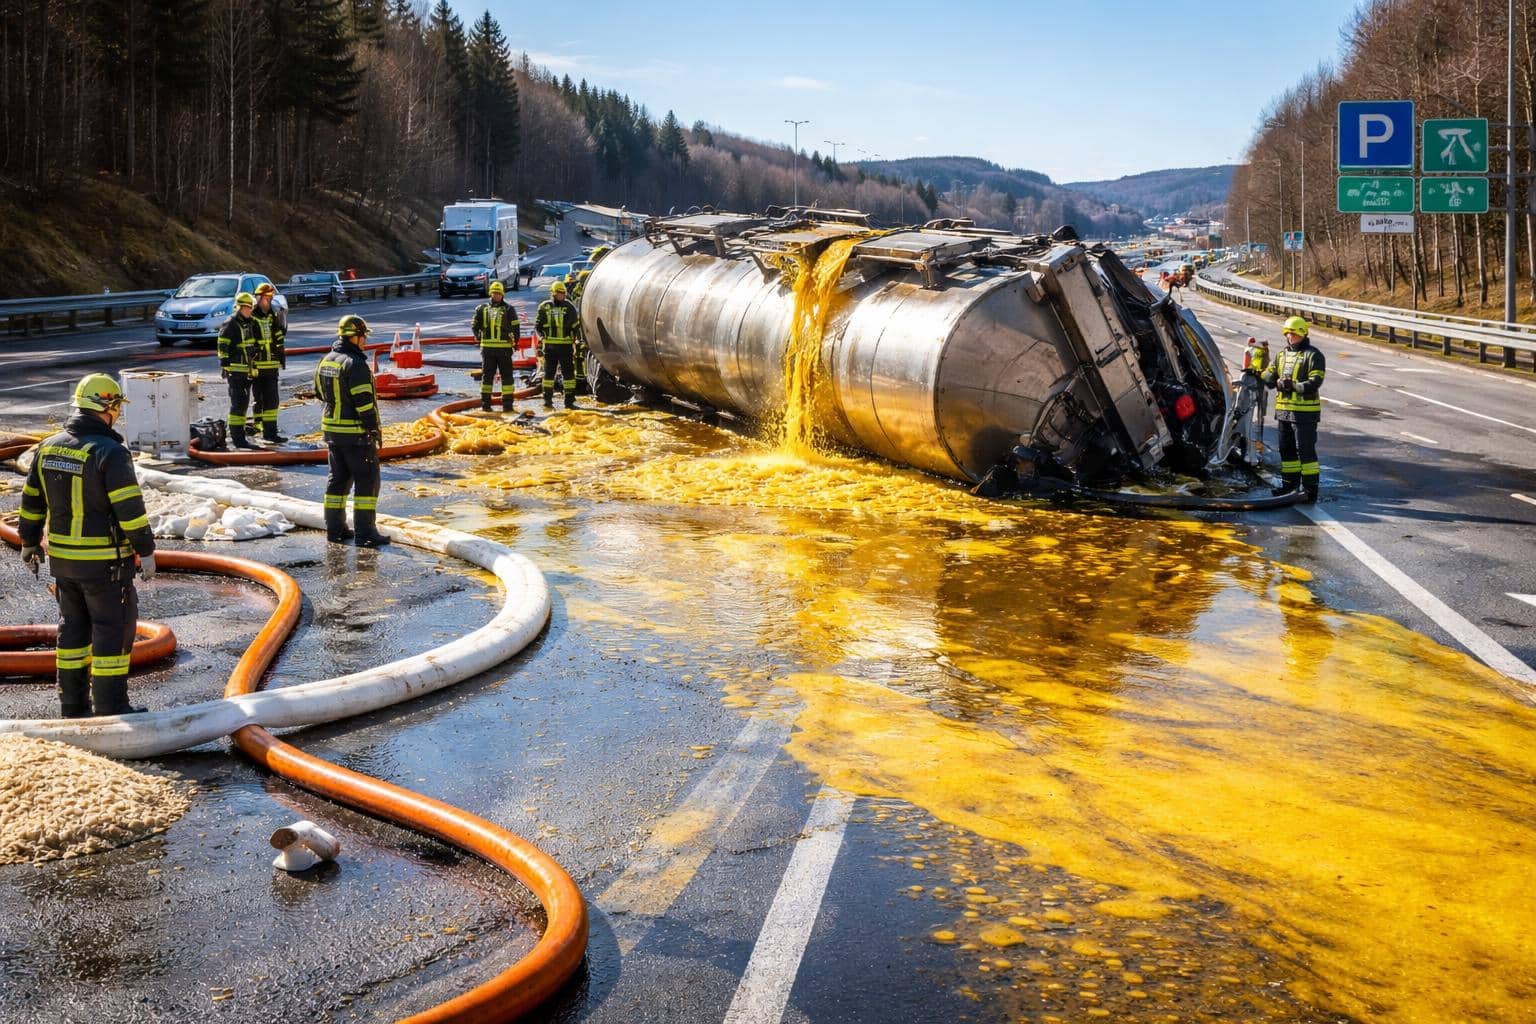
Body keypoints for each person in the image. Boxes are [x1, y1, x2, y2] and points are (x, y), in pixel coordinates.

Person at [17, 374, 156, 717]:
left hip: (63, 562)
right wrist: (147, 549)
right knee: (112, 632)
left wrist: (29, 541)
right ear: (106, 407)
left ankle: (73, 706)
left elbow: (31, 500)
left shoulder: (48, 446)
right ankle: (112, 709)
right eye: (116, 408)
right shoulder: (110, 452)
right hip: (105, 563)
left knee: (72, 631)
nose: (118, 415)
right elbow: (130, 509)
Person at [315, 315, 390, 547]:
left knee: (337, 481)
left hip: (332, 433)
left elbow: (319, 392)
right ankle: (366, 533)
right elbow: (364, 403)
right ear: (354, 337)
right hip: (355, 434)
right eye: (363, 336)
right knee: (367, 482)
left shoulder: (327, 360)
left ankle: (335, 529)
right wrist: (372, 430)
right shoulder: (355, 364)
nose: (365, 340)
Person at [1263, 316, 1326, 501]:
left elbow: (1316, 381)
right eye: (1288, 334)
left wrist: (1295, 386)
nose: (1290, 337)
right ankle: (1289, 487)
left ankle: (1309, 491)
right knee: (1286, 450)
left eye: (1294, 334)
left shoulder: (1314, 355)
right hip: (1283, 412)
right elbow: (1269, 374)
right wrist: (1269, 377)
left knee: (1305, 451)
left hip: (1305, 414)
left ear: (1302, 334)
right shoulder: (1281, 355)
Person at [218, 291, 259, 449]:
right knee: (238, 404)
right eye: (248, 308)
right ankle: (237, 438)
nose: (250, 311)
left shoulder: (248, 323)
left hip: (245, 371)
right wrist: (226, 364)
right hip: (235, 371)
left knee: (243, 404)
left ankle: (239, 436)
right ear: (241, 307)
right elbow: (222, 345)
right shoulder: (231, 323)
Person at [472, 281, 519, 413]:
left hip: (504, 350)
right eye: (494, 293)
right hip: (488, 350)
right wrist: (479, 337)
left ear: (502, 294)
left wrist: (516, 343)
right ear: (491, 293)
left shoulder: (509, 309)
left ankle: (508, 405)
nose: (496, 295)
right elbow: (474, 325)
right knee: (487, 378)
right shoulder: (482, 309)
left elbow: (516, 328)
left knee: (507, 378)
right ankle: (486, 404)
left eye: (498, 293)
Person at [250, 283, 288, 443]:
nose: (269, 300)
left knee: (272, 400)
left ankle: (270, 432)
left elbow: (278, 334)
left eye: (270, 297)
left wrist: (280, 352)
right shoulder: (250, 315)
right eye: (267, 298)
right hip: (257, 366)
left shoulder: (272, 314)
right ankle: (259, 427)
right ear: (259, 297)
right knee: (259, 399)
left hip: (271, 365)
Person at [535, 280, 582, 409]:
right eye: (559, 293)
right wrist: (542, 337)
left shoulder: (569, 307)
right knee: (549, 374)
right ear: (553, 294)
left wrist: (579, 340)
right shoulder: (544, 307)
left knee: (568, 375)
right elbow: (538, 326)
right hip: (550, 347)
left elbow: (576, 326)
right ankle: (547, 401)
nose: (562, 295)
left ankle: (569, 402)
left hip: (566, 347)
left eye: (563, 293)